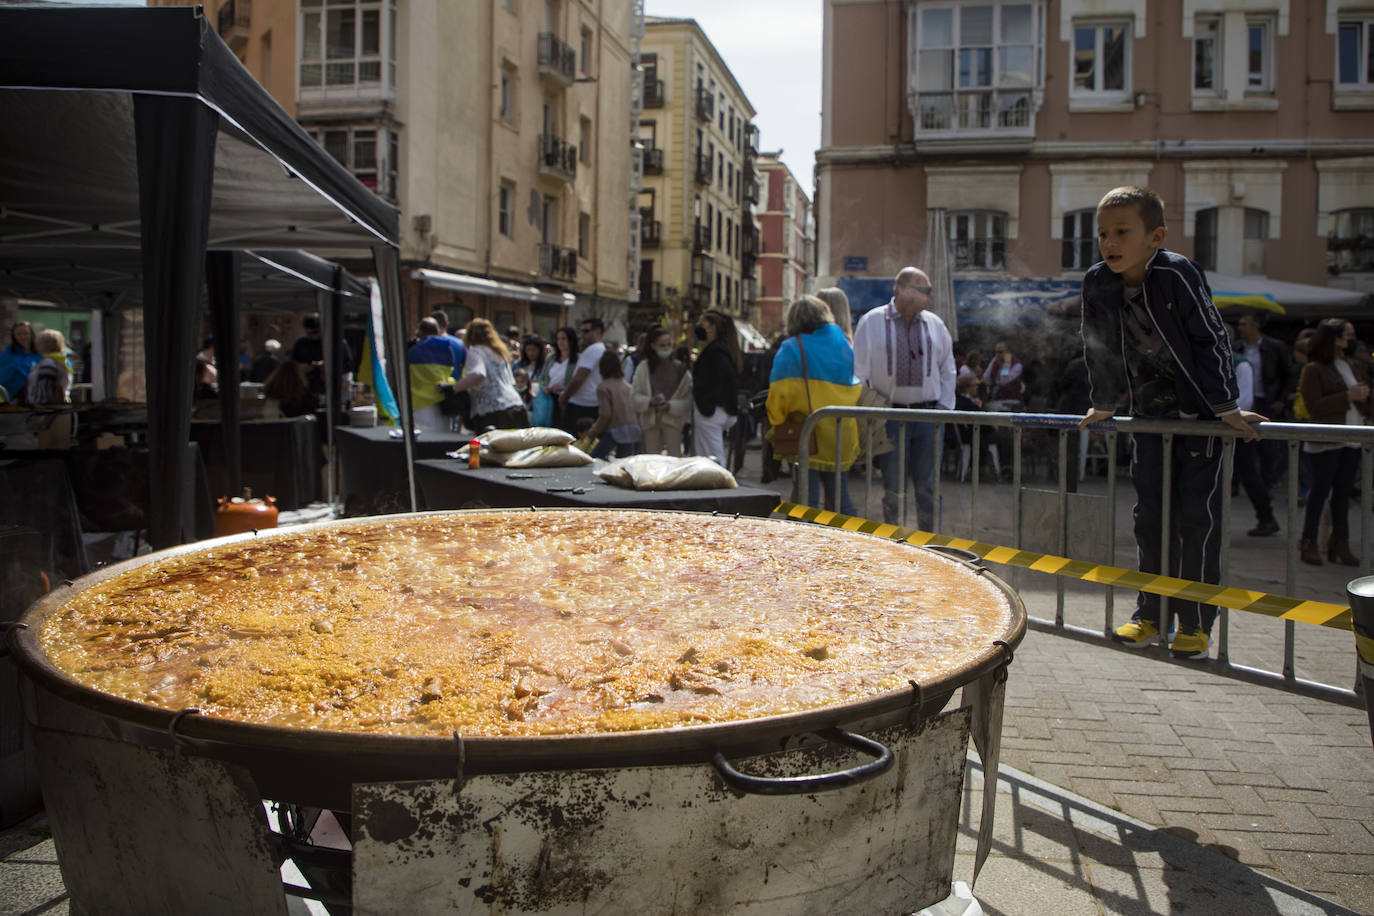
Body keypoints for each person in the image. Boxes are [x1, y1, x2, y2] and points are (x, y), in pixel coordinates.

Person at [1080, 186, 1261, 661]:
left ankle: (1195, 623)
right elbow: (1095, 343)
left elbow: (1211, 338)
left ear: (1155, 236)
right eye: (1103, 234)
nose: (1109, 242)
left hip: (1198, 418)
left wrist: (1226, 407)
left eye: (1122, 232)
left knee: (1196, 521)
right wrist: (1103, 401)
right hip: (1149, 419)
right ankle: (1150, 614)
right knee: (1150, 519)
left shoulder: (1178, 274)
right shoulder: (1098, 282)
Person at [852, 266, 956, 529]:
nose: (930, 296)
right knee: (893, 487)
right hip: (888, 416)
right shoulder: (871, 322)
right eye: (925, 290)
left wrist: (943, 408)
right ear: (901, 290)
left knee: (927, 486)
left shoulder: (935, 325)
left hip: (928, 416)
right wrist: (871, 412)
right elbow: (859, 372)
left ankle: (930, 544)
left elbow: (948, 369)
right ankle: (896, 542)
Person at [766, 295, 861, 515]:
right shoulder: (843, 343)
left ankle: (805, 546)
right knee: (839, 498)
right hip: (841, 433)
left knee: (806, 500)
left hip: (808, 436)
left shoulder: (791, 347)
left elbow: (780, 394)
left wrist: (776, 422)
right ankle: (850, 543)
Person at [1296, 319, 1370, 566]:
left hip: (1352, 438)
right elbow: (1314, 406)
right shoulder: (1315, 368)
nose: (1351, 339)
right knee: (1319, 492)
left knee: (1342, 494)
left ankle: (1340, 542)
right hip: (1327, 441)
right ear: (1334, 338)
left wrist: (1363, 396)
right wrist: (1347, 396)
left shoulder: (1352, 365)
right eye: (1347, 334)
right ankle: (1309, 542)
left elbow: (1361, 400)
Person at [1231, 331, 1279, 537]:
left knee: (1249, 473)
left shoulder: (1240, 364)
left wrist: (1221, 415)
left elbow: (1245, 400)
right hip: (1220, 426)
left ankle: (1266, 517)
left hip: (1238, 428)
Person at [1236, 312, 1293, 488]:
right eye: (1240, 324)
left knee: (1267, 445)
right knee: (1242, 442)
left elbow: (1288, 374)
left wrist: (1282, 400)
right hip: (1243, 402)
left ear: (1256, 326)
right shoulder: (1237, 348)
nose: (1241, 328)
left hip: (1267, 400)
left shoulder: (1275, 346)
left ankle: (1268, 481)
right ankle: (1238, 483)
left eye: (1245, 324)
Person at [449, 318, 528, 432]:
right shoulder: (499, 352)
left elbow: (478, 374)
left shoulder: (476, 351)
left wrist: (454, 388)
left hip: (492, 412)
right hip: (516, 406)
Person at [691, 309, 742, 465]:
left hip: (711, 412)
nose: (698, 326)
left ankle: (720, 485)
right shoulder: (722, 351)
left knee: (712, 456)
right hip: (716, 410)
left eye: (702, 323)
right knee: (709, 454)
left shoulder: (715, 353)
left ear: (712, 328)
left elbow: (723, 381)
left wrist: (709, 404)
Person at [631, 326, 692, 456]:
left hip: (672, 420)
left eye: (669, 345)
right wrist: (649, 401)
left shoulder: (680, 369)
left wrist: (670, 405)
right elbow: (634, 395)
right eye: (662, 345)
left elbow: (688, 400)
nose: (666, 348)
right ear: (653, 346)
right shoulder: (644, 368)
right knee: (651, 458)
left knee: (674, 456)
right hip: (650, 420)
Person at [584, 349, 642, 459]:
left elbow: (605, 414)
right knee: (624, 465)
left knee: (594, 458)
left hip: (616, 430)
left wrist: (593, 432)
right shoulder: (628, 386)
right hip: (635, 430)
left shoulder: (603, 387)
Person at [407, 317, 460, 431]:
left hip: (420, 404)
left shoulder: (414, 351)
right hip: (442, 402)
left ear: (420, 332)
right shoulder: (447, 348)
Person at [27, 329, 73, 449]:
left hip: (49, 413)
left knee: (48, 450)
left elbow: (45, 389)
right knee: (60, 448)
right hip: (62, 409)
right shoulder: (61, 361)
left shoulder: (48, 363)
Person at [559, 318, 606, 433]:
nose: (582, 335)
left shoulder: (593, 350)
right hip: (593, 403)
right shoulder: (602, 349)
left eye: (586, 331)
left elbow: (579, 378)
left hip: (581, 405)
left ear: (597, 332)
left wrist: (565, 396)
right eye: (581, 331)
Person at [540, 326, 579, 431]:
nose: (560, 342)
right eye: (558, 339)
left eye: (564, 338)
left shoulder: (578, 360)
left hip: (566, 400)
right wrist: (545, 387)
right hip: (549, 399)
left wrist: (565, 388)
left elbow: (579, 381)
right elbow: (543, 378)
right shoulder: (551, 357)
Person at [0, 321, 40, 402]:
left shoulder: (39, 352)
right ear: (14, 336)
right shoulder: (9, 353)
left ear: (31, 334)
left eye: (26, 333)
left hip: (39, 394)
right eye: (19, 334)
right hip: (15, 395)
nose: (23, 337)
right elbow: (4, 375)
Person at [982, 342, 1025, 410]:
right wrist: (992, 362)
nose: (997, 355)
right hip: (995, 398)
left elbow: (1004, 381)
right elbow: (985, 378)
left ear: (1007, 352)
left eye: (1000, 352)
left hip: (1010, 399)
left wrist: (1006, 364)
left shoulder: (1017, 365)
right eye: (996, 352)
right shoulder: (995, 362)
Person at [431, 309, 468, 378]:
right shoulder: (460, 344)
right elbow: (466, 367)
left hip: (432, 386)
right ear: (447, 324)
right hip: (455, 385)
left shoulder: (426, 343)